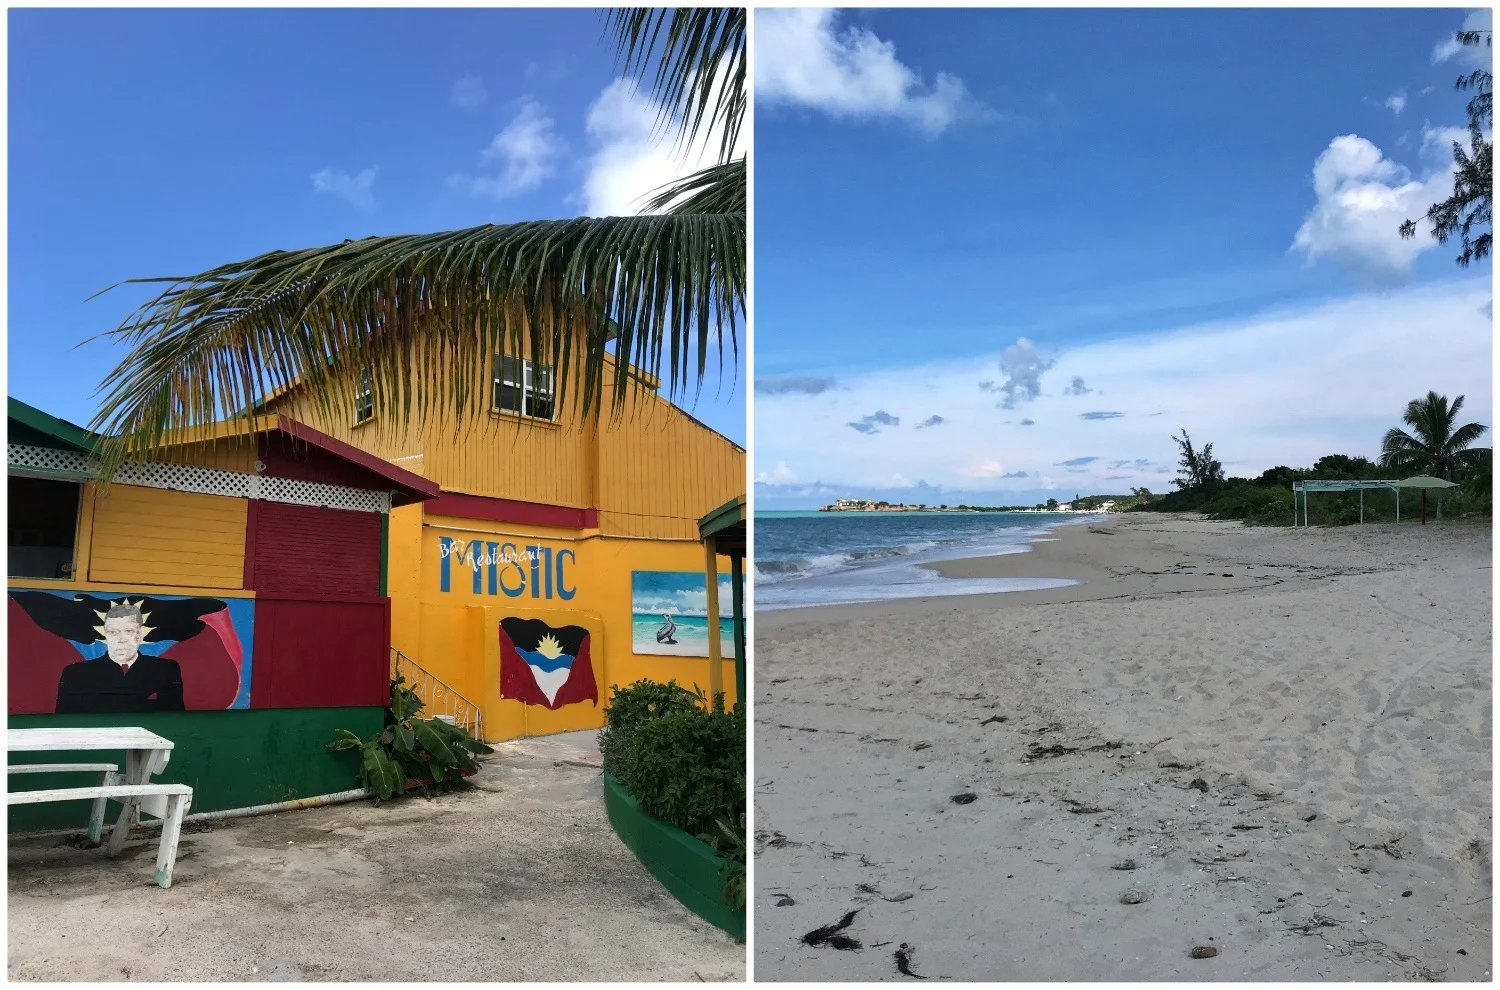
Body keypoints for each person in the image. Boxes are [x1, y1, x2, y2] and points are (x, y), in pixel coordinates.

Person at [55, 602, 185, 713]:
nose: (121, 640)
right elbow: (65, 721)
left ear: (140, 633)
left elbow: (174, 715)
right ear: (105, 633)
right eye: (113, 632)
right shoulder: (76, 673)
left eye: (129, 631)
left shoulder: (165, 669)